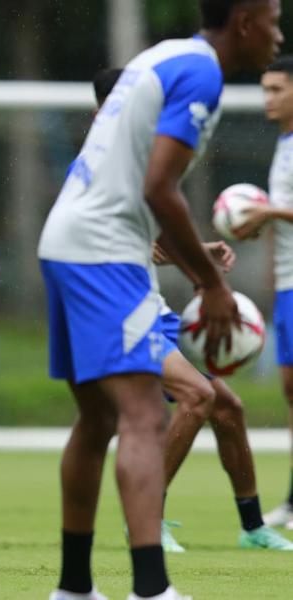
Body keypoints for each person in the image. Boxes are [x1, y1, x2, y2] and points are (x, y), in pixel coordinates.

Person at [39, 2, 281, 599]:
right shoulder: (201, 73)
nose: (278, 35)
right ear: (245, 20)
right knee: (146, 416)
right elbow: (158, 187)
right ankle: (150, 589)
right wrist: (212, 285)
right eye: (274, 20)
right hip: (103, 253)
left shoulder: (166, 56)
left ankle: (74, 588)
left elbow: (136, 186)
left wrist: (196, 261)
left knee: (98, 420)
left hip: (68, 240)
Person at [94, 68, 293, 554]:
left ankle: (253, 528)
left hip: (150, 308)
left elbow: (150, 245)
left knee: (229, 409)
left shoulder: (139, 159)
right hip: (121, 312)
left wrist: (199, 254)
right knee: (197, 396)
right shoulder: (104, 166)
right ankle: (146, 518)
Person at [235, 55, 293, 529]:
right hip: (288, 285)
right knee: (291, 392)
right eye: (265, 89)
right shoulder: (283, 143)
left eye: (277, 89)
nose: (267, 99)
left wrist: (269, 213)